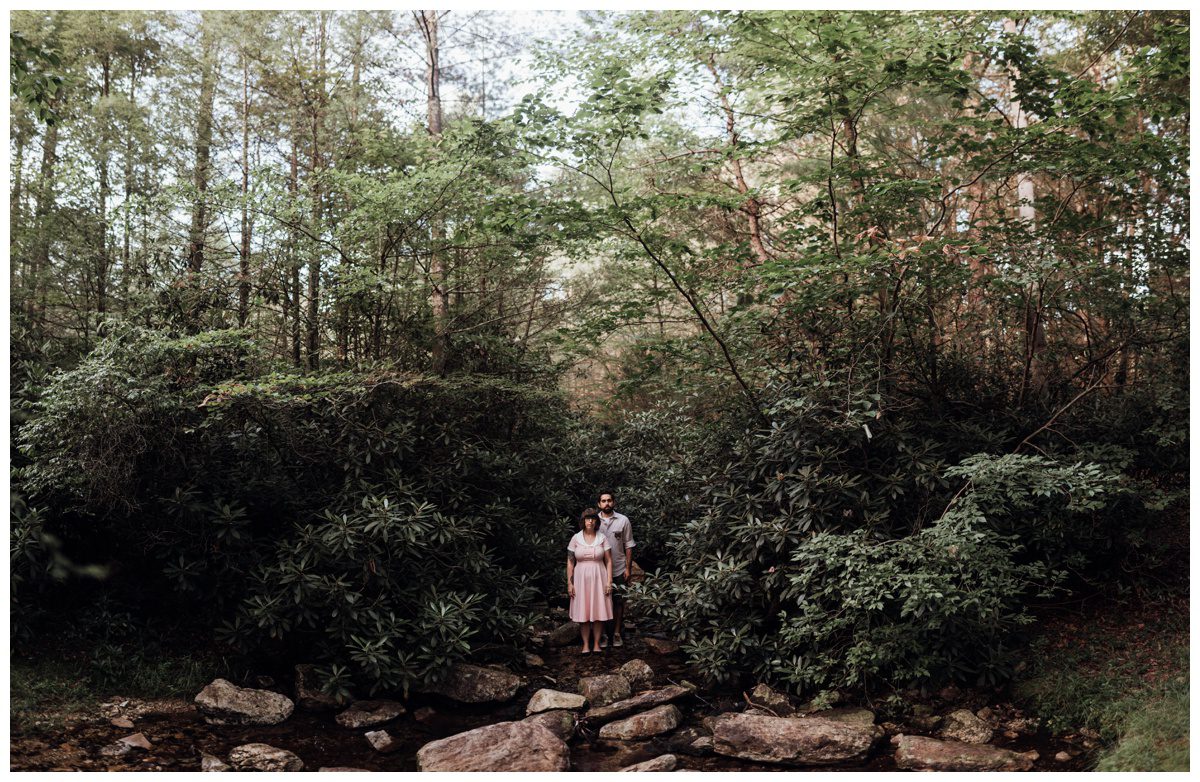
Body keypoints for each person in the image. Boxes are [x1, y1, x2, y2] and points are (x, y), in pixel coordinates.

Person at [567, 507, 613, 655]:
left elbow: (609, 561)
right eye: (587, 519)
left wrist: (609, 581)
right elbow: (570, 562)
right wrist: (570, 583)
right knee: (584, 612)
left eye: (593, 519)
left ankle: (597, 644)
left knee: (599, 611)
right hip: (580, 578)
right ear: (583, 521)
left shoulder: (602, 538)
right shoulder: (575, 538)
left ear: (596, 522)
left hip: (600, 577)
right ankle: (586, 644)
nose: (590, 521)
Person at [597, 491, 635, 648]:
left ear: (614, 502)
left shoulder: (623, 520)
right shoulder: (593, 520)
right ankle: (604, 635)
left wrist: (628, 568)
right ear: (599, 504)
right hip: (599, 569)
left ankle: (617, 633)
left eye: (609, 500)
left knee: (619, 601)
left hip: (619, 567)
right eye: (603, 501)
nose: (607, 503)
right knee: (601, 601)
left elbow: (629, 545)